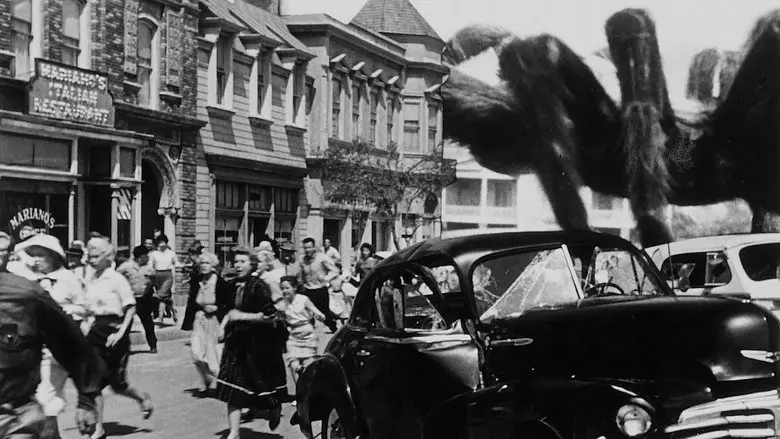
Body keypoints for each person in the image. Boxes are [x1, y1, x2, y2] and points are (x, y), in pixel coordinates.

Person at [0, 231, 105, 439]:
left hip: (14, 416)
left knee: (47, 400)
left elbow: (71, 342)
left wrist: (86, 399)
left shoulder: (26, 295)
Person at [82, 237, 153, 439]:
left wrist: (120, 334)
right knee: (94, 383)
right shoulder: (90, 278)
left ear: (107, 257)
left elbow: (130, 308)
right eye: (90, 256)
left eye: (96, 256)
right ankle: (98, 429)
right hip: (95, 332)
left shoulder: (116, 279)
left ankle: (142, 398)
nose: (92, 260)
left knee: (117, 384)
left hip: (115, 331)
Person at [216, 247, 286, 438]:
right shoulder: (232, 285)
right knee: (233, 386)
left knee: (262, 386)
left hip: (258, 344)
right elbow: (230, 311)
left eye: (242, 262)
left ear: (252, 265)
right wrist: (222, 326)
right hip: (236, 343)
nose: (238, 265)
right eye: (236, 262)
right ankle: (234, 433)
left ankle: (274, 406)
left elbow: (270, 315)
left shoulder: (259, 286)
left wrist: (243, 316)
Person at [190, 251, 231, 394]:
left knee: (213, 354)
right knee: (196, 353)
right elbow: (192, 302)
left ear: (213, 265)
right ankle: (206, 378)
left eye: (207, 263)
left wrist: (217, 308)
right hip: (199, 320)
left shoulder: (220, 283)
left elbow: (228, 305)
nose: (204, 266)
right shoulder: (197, 281)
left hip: (214, 320)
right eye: (202, 263)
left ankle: (216, 381)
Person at [280, 276, 325, 386]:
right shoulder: (283, 302)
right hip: (293, 336)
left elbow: (319, 313)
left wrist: (318, 316)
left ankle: (308, 389)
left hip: (307, 335)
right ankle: (298, 391)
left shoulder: (303, 299)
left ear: (294, 288)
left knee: (307, 365)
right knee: (293, 364)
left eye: (287, 288)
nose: (284, 291)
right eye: (282, 288)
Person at [117, 245, 158, 353]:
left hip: (143, 298)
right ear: (140, 257)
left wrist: (150, 284)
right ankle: (122, 347)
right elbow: (116, 277)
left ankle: (153, 345)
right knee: (126, 323)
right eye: (146, 256)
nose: (148, 258)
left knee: (148, 323)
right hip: (130, 299)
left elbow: (154, 279)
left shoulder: (148, 267)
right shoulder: (126, 266)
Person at [299, 237, 340, 333]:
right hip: (308, 290)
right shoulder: (302, 260)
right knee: (307, 312)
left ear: (314, 247)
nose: (307, 250)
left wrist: (327, 278)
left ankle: (334, 327)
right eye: (305, 248)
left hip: (320, 290)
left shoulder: (322, 258)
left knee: (324, 314)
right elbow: (302, 275)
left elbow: (336, 270)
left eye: (309, 247)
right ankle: (309, 332)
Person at [149, 234, 178, 325]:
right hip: (158, 276)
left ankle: (160, 318)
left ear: (166, 243)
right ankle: (173, 311)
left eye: (163, 242)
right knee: (165, 297)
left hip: (168, 275)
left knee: (160, 296)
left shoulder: (171, 253)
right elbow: (150, 266)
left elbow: (176, 263)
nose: (161, 244)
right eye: (159, 242)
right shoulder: (154, 254)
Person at [181, 241, 205, 331]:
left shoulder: (198, 263)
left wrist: (188, 271)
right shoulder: (196, 263)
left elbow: (199, 276)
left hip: (197, 289)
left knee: (193, 307)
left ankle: (190, 326)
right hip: (195, 287)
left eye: (191, 255)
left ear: (195, 254)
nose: (190, 257)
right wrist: (187, 280)